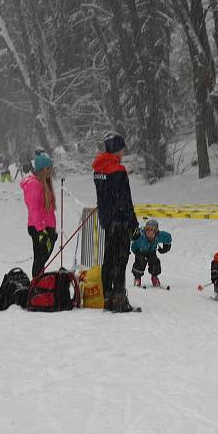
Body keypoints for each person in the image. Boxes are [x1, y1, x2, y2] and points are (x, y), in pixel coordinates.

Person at [93, 132, 139, 312]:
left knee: (109, 259)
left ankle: (107, 297)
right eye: (121, 148)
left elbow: (103, 197)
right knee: (121, 259)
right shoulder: (118, 171)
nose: (123, 152)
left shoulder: (98, 169)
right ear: (115, 149)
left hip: (107, 220)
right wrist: (133, 224)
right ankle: (119, 299)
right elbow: (125, 200)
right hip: (120, 220)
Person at [20, 152, 57, 278]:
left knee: (41, 260)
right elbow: (33, 209)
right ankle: (36, 285)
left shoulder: (44, 183)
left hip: (47, 227)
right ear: (41, 169)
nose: (50, 171)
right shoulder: (34, 185)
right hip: (40, 228)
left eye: (50, 168)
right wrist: (41, 231)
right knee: (40, 260)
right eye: (48, 168)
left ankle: (38, 283)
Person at [131, 218, 172, 287]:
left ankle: (154, 277)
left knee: (155, 262)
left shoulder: (159, 236)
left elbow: (168, 237)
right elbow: (133, 243)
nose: (149, 232)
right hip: (140, 251)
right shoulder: (140, 237)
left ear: (156, 232)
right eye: (147, 230)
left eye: (151, 230)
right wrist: (137, 252)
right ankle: (137, 278)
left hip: (151, 251)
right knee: (140, 262)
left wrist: (166, 247)